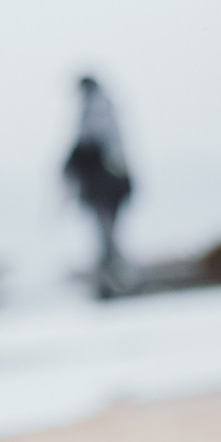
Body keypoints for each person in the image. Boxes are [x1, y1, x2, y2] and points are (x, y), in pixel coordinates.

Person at [63, 75, 134, 298]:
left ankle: (119, 285)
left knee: (107, 239)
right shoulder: (103, 108)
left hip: (106, 187)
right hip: (107, 186)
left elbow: (92, 142)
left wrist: (73, 161)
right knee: (107, 238)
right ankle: (114, 284)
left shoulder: (96, 108)